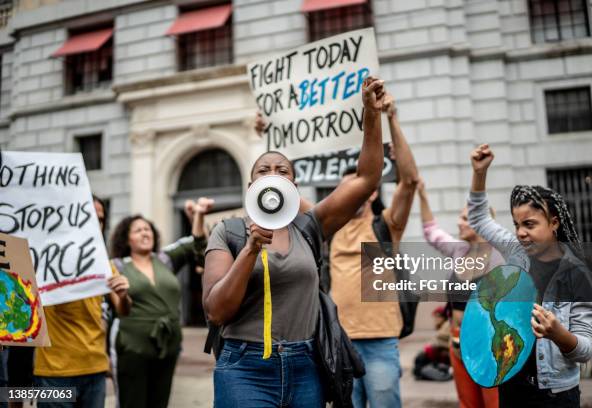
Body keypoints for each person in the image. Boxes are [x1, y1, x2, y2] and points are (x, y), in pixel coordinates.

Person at [203, 77, 386, 407]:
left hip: (306, 367)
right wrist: (250, 249)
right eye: (264, 170)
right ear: (251, 185)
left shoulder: (309, 227)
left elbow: (366, 179)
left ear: (293, 184)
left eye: (282, 170)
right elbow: (217, 311)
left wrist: (371, 116)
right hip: (245, 368)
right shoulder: (228, 232)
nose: (273, 174)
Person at [468, 143, 592, 408]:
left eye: (529, 224)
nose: (520, 233)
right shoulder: (517, 252)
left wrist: (558, 334)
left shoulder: (577, 276)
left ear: (554, 223)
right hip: (510, 387)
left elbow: (587, 349)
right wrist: (479, 173)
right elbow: (479, 218)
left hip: (555, 396)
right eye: (517, 225)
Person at [328, 92, 419, 408]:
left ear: (370, 192)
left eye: (355, 187)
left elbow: (409, 181)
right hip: (338, 344)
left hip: (380, 342)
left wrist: (391, 119)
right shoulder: (329, 229)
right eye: (342, 189)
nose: (347, 194)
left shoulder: (385, 226)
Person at [109, 197, 212, 408]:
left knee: (160, 402)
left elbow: (198, 243)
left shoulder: (165, 259)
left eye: (147, 229)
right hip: (133, 348)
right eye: (138, 230)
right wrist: (122, 295)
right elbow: (121, 310)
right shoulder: (117, 266)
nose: (145, 233)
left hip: (168, 346)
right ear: (126, 239)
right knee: (132, 402)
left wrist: (199, 215)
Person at [33, 196, 132, 408]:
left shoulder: (104, 264)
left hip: (94, 368)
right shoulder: (45, 259)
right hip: (54, 371)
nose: (96, 223)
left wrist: (124, 295)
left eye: (101, 218)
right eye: (90, 216)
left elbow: (123, 310)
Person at [417, 179, 502, 407]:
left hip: (489, 346)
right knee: (467, 403)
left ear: (482, 222)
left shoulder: (499, 260)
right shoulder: (459, 250)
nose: (458, 223)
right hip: (457, 345)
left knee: (494, 403)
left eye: (465, 218)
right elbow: (430, 231)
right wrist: (422, 195)